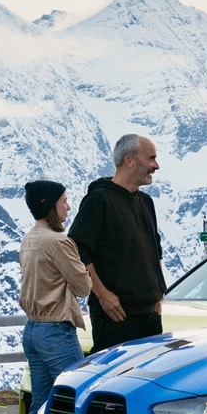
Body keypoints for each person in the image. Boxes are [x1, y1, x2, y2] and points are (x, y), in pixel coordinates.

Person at [68, 134, 165, 354]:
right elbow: (77, 248)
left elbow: (155, 248)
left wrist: (158, 291)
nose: (156, 166)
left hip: (149, 315)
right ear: (129, 161)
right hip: (116, 315)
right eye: (151, 158)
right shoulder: (99, 199)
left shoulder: (145, 201)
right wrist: (102, 295)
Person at [18, 180, 88, 414]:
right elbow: (83, 286)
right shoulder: (58, 241)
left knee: (41, 405)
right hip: (57, 330)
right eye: (63, 201)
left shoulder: (30, 238)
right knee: (78, 399)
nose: (68, 207)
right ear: (49, 205)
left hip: (33, 328)